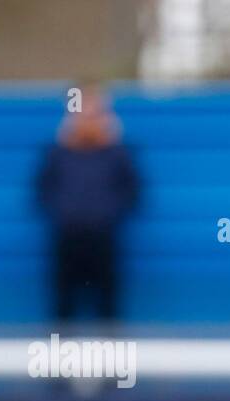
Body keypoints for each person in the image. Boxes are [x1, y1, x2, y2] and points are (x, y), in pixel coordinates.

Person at [36, 84, 139, 324]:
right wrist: (65, 214)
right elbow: (43, 190)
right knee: (63, 307)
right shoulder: (58, 153)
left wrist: (107, 215)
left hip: (104, 239)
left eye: (94, 110)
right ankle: (61, 359)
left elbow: (132, 192)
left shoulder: (118, 153)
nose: (88, 117)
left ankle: (108, 359)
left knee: (107, 308)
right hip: (67, 238)